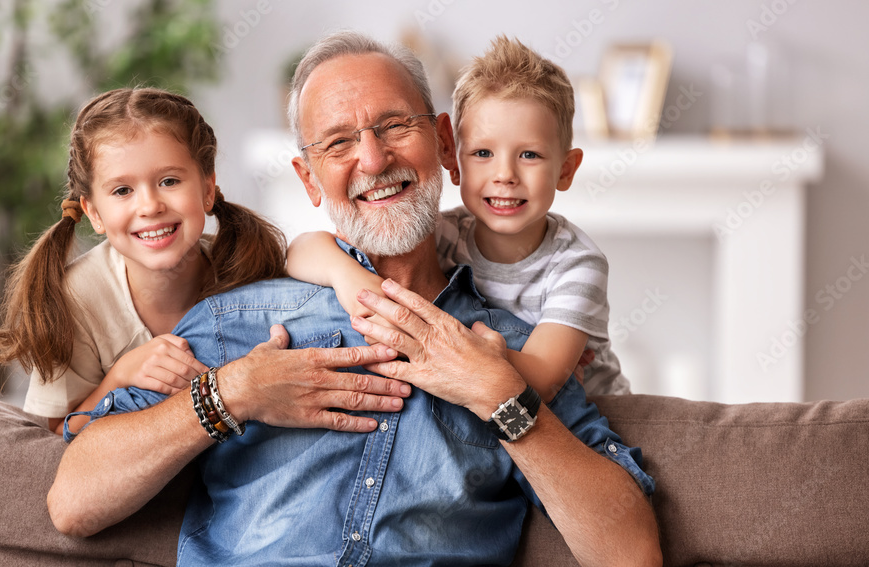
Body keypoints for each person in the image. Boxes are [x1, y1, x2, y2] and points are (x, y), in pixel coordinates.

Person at [48, 32, 662, 566]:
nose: (373, 158)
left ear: (444, 143)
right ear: (308, 179)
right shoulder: (236, 318)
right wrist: (234, 392)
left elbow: (631, 553)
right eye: (338, 142)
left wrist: (498, 395)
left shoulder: (509, 347)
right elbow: (73, 502)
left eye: (395, 126)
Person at [286, 35, 628, 402]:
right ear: (453, 157)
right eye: (483, 152)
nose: (505, 175)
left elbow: (543, 382)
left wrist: (435, 347)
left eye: (529, 155)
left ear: (566, 170)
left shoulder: (577, 266)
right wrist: (347, 277)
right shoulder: (448, 232)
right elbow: (301, 250)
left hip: (599, 412)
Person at [0, 87, 291, 435]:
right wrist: (119, 377)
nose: (150, 206)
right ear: (94, 213)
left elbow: (311, 257)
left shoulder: (243, 263)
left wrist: (345, 272)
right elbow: (57, 432)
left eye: (169, 181)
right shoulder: (78, 297)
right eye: (122, 191)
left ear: (207, 189)